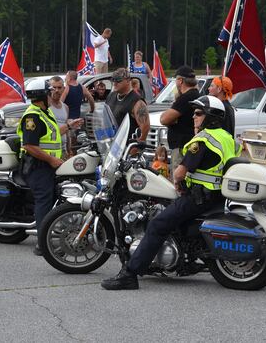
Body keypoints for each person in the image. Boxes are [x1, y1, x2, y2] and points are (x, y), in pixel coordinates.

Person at [101, 96, 241, 290]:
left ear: (211, 117)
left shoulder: (203, 139)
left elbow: (180, 172)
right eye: (194, 113)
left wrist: (175, 180)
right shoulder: (227, 138)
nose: (194, 117)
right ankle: (184, 258)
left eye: (199, 113)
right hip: (216, 196)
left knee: (158, 224)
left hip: (198, 198)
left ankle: (130, 274)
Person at [17, 80, 83, 256]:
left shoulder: (44, 113)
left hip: (47, 165)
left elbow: (51, 135)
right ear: (40, 96)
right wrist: (51, 160)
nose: (51, 94)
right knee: (44, 201)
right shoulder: (33, 117)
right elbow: (29, 145)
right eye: (48, 92)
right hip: (37, 166)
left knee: (54, 198)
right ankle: (42, 244)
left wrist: (69, 125)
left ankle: (49, 237)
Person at [160, 66, 200, 174]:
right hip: (190, 146)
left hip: (181, 148)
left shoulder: (186, 98)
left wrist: (172, 117)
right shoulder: (197, 95)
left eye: (176, 79)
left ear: (180, 80)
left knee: (178, 181)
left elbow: (164, 119)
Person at [105, 68, 149, 141]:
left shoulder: (137, 101)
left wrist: (136, 147)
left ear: (128, 81)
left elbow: (145, 127)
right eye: (113, 80)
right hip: (112, 145)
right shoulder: (111, 96)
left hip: (127, 146)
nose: (114, 83)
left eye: (118, 80)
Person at [48, 76, 70, 158]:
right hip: (50, 152)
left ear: (63, 89)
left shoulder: (65, 107)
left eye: (59, 87)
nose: (57, 90)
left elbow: (67, 131)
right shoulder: (46, 107)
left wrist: (69, 149)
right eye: (54, 87)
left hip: (63, 151)